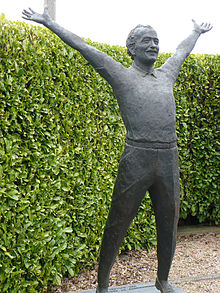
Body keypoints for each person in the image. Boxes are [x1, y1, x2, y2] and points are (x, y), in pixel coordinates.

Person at [22, 7, 212, 293]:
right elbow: (83, 46)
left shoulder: (167, 75)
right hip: (137, 158)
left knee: (168, 222)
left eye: (157, 40)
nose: (154, 45)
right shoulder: (121, 76)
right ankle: (103, 285)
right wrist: (49, 22)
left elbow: (181, 51)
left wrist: (195, 32)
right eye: (147, 40)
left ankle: (163, 280)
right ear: (132, 48)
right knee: (117, 223)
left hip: (169, 159)